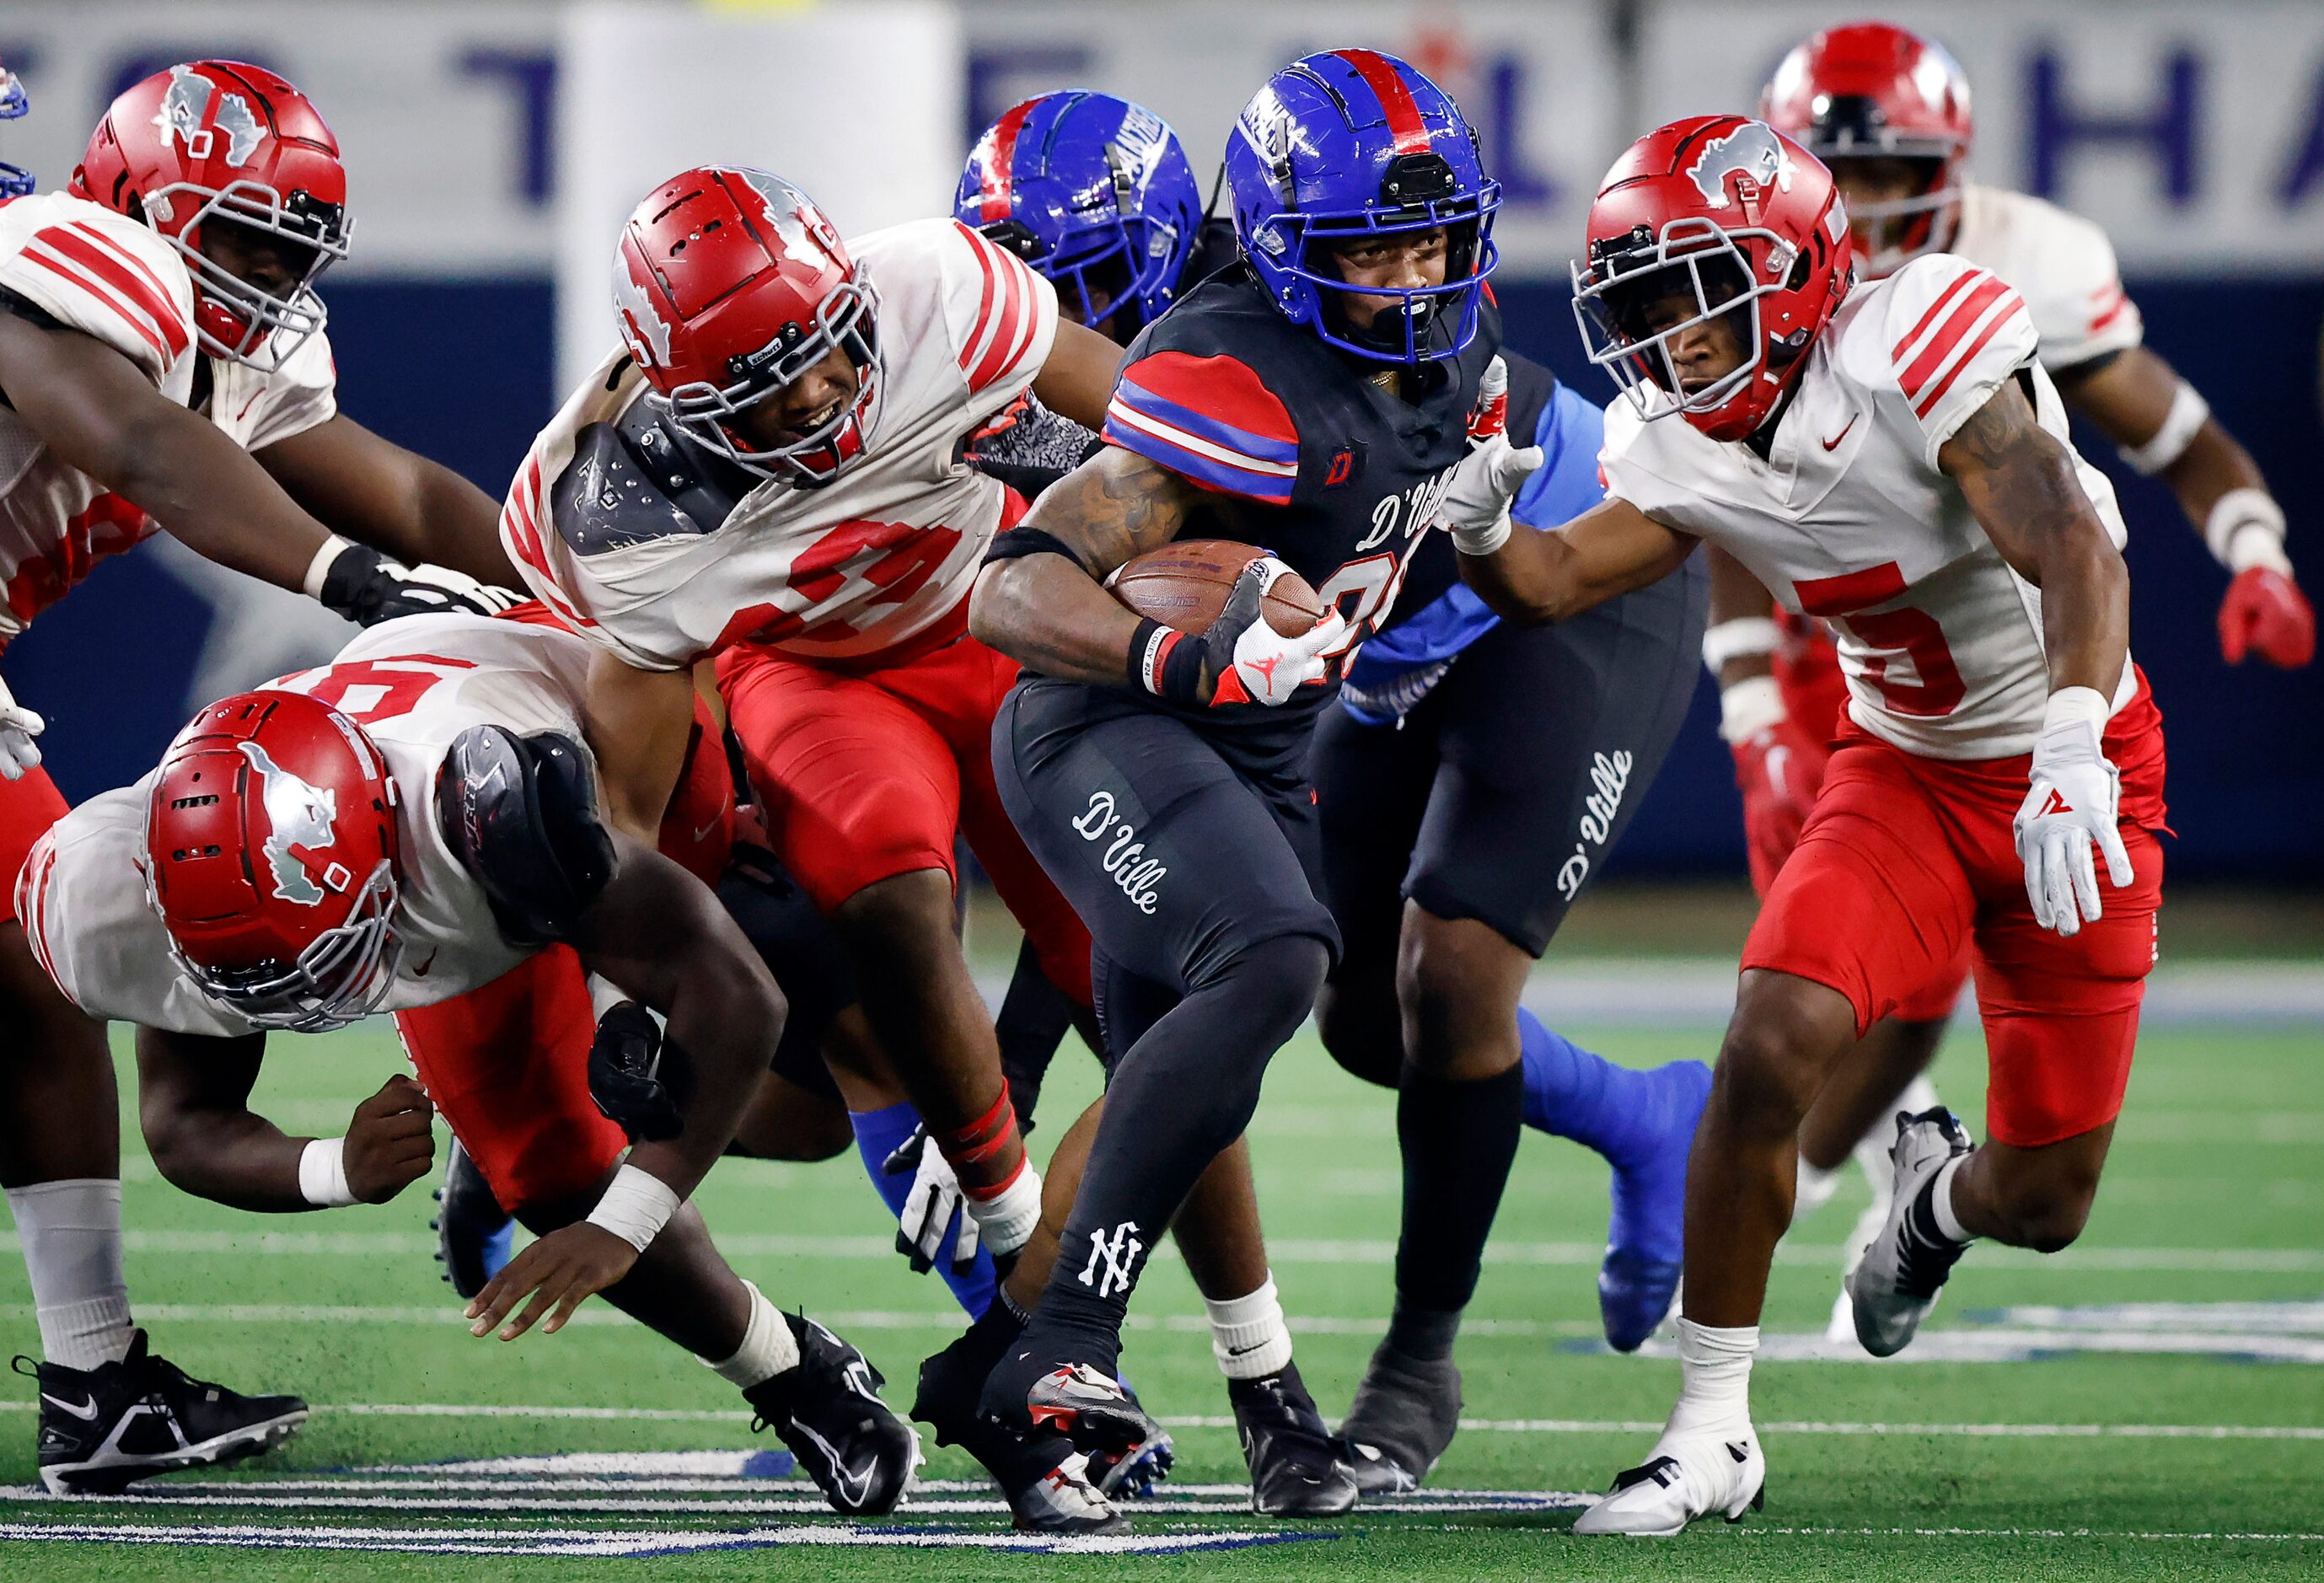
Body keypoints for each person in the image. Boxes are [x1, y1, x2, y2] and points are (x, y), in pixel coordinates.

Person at [1448, 114, 2165, 1532]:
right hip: (1897, 771)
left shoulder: (1912, 344)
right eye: (1638, 303)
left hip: (2077, 758)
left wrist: (2072, 734)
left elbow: (2068, 536)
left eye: (1689, 288)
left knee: (2045, 1194)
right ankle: (1711, 1429)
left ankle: (1933, 1209)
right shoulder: (1674, 439)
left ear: (1789, 267)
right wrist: (1478, 531)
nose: (1664, 333)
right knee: (1768, 1036)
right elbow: (1553, 581)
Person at [496, 163, 1136, 1517]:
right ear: (678, 401)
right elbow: (623, 787)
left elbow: (1153, 423)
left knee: (1143, 958)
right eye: (759, 392)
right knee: (836, 969)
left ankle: (1113, 1335)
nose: (813, 398)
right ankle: (1017, 1310)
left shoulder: (937, 292)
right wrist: (620, 979)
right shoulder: (622, 516)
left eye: (822, 353)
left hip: (987, 630)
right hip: (768, 698)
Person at [961, 50, 1544, 1521]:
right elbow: (1011, 596)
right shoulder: (1226, 366)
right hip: (1105, 725)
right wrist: (1174, 658)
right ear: (1287, 245)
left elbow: (1404, 538)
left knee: (1200, 1068)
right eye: (1370, 249)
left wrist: (1459, 549)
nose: (1412, 273)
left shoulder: (1458, 349)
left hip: (1261, 748)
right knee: (1280, 954)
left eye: (1433, 238)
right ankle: (1062, 1344)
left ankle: (1256, 1398)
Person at [19, 610, 922, 1514]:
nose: (306, 1009)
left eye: (321, 964)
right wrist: (338, 1168)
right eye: (263, 983)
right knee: (550, 1167)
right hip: (443, 884)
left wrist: (629, 1221)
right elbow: (182, 1125)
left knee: (804, 1111)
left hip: (597, 771)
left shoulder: (487, 816)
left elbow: (734, 996)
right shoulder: (115, 898)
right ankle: (797, 1380)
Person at [1704, 21, 2312, 1327]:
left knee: (2044, 1184)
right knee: (1857, 997)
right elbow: (1720, 497)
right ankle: (1808, 1193)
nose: (1864, 205)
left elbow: (2179, 436)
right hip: (1856, 660)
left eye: (1890, 173)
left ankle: (1907, 1180)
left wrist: (2253, 548)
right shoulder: (1751, 277)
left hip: (2036, 659)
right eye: (1835, 173)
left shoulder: (2026, 261)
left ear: (1952, 163)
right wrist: (1754, 711)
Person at [0, 58, 517, 1491]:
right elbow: (136, 441)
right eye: (238, 236)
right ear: (136, 202)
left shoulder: (229, 340)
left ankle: (97, 1383)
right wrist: (351, 581)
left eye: (291, 245)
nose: (267, 272)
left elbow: (404, 490)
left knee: (38, 985)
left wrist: (556, 593)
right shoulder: (52, 259)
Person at [949, 87, 1354, 1520]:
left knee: (1246, 1017)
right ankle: (1226, 1383)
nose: (1044, 313)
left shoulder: (1255, 340)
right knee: (1222, 999)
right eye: (1013, 279)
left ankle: (1061, 1353)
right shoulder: (1056, 406)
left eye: (1068, 275)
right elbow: (1034, 603)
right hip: (1160, 711)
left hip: (1324, 692)